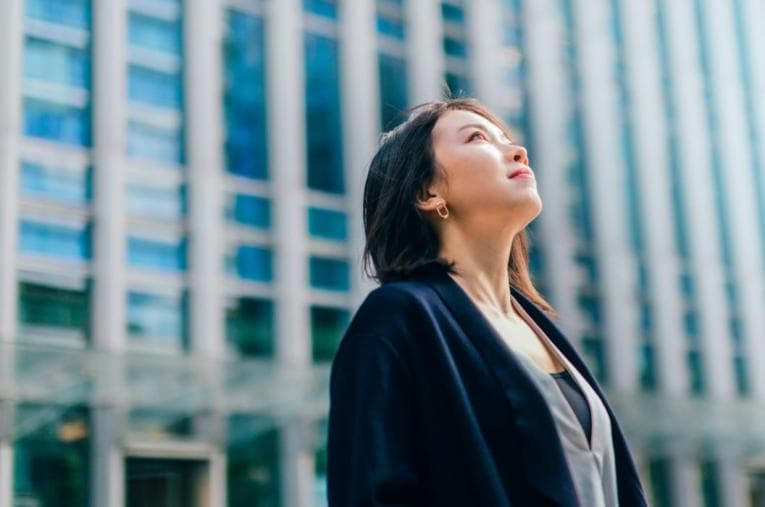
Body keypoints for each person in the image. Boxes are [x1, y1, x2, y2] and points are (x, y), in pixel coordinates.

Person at [326, 97, 648, 506]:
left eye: (506, 139)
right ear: (428, 191)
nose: (516, 150)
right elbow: (371, 490)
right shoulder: (397, 319)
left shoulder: (539, 327)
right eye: (478, 138)